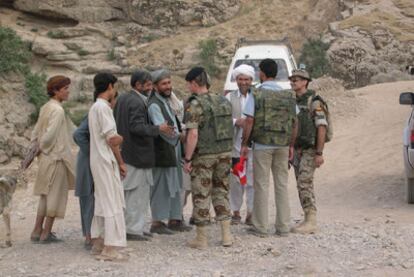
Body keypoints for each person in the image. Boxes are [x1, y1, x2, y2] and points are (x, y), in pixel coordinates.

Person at [241, 59, 298, 237]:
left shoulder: (256, 94)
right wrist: (291, 144)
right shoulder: (288, 95)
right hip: (282, 144)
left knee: (261, 184)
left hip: (262, 145)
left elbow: (249, 120)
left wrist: (244, 143)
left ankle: (261, 226)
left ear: (262, 73)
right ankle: (283, 226)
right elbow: (295, 122)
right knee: (281, 184)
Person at [114, 70, 174, 241]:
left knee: (131, 194)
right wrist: (158, 129)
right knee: (136, 195)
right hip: (137, 156)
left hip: (128, 154)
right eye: (147, 85)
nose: (150, 88)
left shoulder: (124, 99)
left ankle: (135, 227)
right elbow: (137, 127)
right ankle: (133, 229)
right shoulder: (137, 102)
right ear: (138, 85)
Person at [183, 67, 233, 249]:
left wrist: (187, 159)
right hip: (225, 154)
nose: (188, 88)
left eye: (189, 84)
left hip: (204, 156)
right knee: (221, 192)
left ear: (194, 83)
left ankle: (201, 239)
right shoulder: (223, 101)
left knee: (201, 194)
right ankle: (226, 236)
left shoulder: (194, 104)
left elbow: (193, 134)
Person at [30, 75, 76, 244]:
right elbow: (49, 137)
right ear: (56, 91)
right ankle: (46, 233)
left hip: (45, 159)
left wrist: (38, 150)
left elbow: (35, 132)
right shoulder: (58, 110)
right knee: (55, 196)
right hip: (56, 158)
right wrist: (44, 147)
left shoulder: (45, 107)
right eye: (65, 88)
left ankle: (36, 231)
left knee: (45, 195)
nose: (68, 91)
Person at [89, 72, 127, 261]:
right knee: (111, 201)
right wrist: (122, 141)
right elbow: (112, 139)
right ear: (110, 87)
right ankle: (110, 248)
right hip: (105, 160)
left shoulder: (94, 107)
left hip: (98, 160)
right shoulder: (103, 108)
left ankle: (99, 241)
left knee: (102, 200)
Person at [148, 69, 191, 234]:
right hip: (163, 151)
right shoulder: (154, 104)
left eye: (169, 83)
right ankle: (157, 222)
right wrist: (181, 137)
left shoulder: (165, 101)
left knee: (175, 186)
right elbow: (162, 129)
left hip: (173, 151)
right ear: (155, 86)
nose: (168, 86)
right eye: (164, 84)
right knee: (161, 187)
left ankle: (175, 219)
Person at [73, 92, 118, 250]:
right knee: (89, 198)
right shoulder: (97, 112)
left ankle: (93, 236)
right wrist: (93, 151)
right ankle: (89, 237)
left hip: (92, 160)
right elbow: (78, 134)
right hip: (89, 162)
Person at [289, 69, 328, 234]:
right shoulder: (294, 101)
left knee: (304, 182)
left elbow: (321, 127)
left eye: (296, 79)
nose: (293, 82)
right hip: (297, 149)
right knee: (301, 183)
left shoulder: (315, 102)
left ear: (305, 81)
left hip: (310, 149)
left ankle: (312, 220)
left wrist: (319, 153)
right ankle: (307, 217)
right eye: (292, 79)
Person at [225, 64, 255, 225]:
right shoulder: (229, 97)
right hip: (235, 145)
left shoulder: (257, 96)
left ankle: (251, 212)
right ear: (236, 80)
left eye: (247, 79)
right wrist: (237, 122)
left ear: (251, 80)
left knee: (252, 180)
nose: (243, 82)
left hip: (253, 145)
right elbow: (223, 118)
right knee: (236, 181)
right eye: (240, 79)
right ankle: (235, 211)